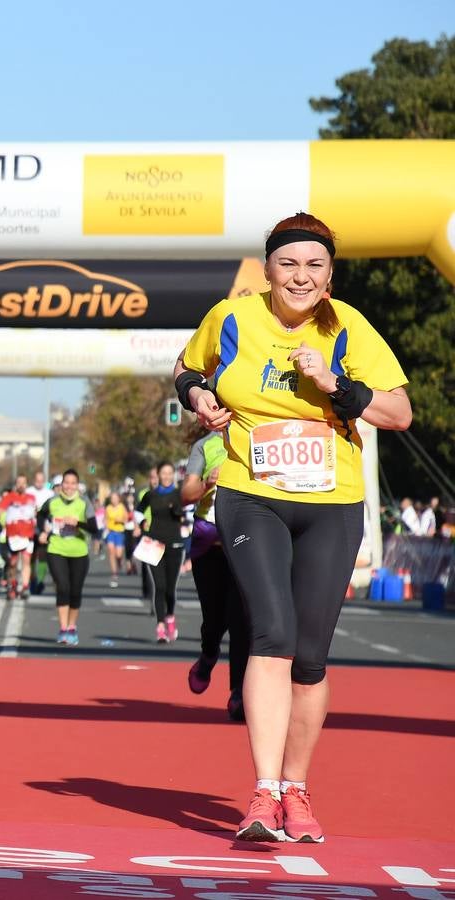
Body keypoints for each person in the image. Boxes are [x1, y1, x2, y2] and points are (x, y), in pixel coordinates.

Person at [174, 212, 410, 844]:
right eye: (289, 264)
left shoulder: (349, 327)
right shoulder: (231, 319)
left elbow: (400, 413)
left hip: (332, 503)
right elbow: (187, 370)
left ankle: (297, 791)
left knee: (309, 657)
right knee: (270, 635)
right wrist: (198, 398)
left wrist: (336, 384)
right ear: (268, 269)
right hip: (252, 495)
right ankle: (263, 791)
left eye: (315, 266)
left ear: (329, 276)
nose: (301, 277)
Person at [183, 429, 249, 721]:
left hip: (246, 540)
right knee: (215, 620)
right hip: (209, 545)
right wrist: (208, 482)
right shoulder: (205, 446)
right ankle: (208, 655)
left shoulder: (258, 437)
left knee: (241, 620)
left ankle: (239, 692)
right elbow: (186, 494)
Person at [37, 469, 97, 646]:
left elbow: (94, 529)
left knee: (75, 590)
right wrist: (43, 530)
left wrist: (77, 523)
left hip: (79, 551)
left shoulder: (84, 503)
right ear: (61, 484)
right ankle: (63, 628)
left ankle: (72, 627)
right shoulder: (53, 502)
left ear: (77, 485)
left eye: (73, 483)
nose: (69, 487)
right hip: (56, 549)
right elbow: (40, 515)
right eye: (66, 483)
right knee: (63, 587)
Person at [135, 462, 186, 643]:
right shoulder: (151, 495)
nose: (166, 476)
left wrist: (177, 510)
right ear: (158, 475)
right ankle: (160, 627)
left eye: (169, 473)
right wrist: (142, 524)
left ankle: (170, 616)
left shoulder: (180, 494)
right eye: (163, 473)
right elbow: (138, 511)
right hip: (155, 544)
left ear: (173, 475)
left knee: (170, 589)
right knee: (160, 586)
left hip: (174, 545)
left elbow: (186, 516)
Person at [0, 475, 37, 599]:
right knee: (13, 563)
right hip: (13, 535)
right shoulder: (9, 497)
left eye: (23, 483)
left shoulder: (31, 498)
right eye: (19, 482)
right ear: (16, 484)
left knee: (26, 560)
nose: (21, 485)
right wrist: (5, 521)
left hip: (28, 534)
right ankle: (13, 585)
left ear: (26, 484)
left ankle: (25, 587)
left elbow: (35, 511)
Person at [102, 493, 129, 588]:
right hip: (110, 532)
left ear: (119, 499)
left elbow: (126, 519)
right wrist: (105, 525)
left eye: (115, 498)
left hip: (119, 532)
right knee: (111, 551)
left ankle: (119, 561)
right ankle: (114, 573)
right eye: (112, 498)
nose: (113, 500)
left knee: (118, 554)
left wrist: (121, 520)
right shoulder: (108, 508)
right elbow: (105, 518)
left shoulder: (122, 507)